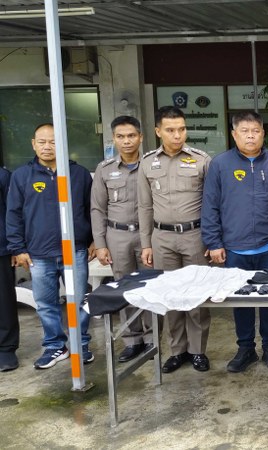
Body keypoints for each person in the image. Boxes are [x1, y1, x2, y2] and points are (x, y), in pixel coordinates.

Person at [202, 111, 268, 373]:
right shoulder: (220, 164)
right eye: (244, 131)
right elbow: (210, 206)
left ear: (263, 133)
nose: (251, 136)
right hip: (234, 247)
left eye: (256, 131)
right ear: (234, 134)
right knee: (239, 299)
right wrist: (213, 242)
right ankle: (245, 348)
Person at [6, 123, 94, 369]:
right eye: (42, 142)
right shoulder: (22, 176)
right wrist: (18, 248)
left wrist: (93, 240)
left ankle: (80, 344)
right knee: (46, 304)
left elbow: (91, 210)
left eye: (53, 141)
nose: (47, 146)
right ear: (33, 144)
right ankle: (56, 346)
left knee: (79, 301)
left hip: (75, 250)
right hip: (38, 253)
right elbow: (13, 214)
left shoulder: (79, 174)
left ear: (63, 143)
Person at [139, 106, 212, 373]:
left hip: (195, 236)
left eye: (181, 129)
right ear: (158, 131)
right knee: (170, 296)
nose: (177, 135)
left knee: (196, 296)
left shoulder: (201, 160)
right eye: (170, 130)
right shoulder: (147, 163)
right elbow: (144, 206)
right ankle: (177, 351)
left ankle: (198, 351)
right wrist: (146, 243)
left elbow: (212, 203)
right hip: (162, 237)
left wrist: (212, 240)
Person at [91, 116, 155, 363]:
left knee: (150, 287)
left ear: (140, 137)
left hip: (147, 235)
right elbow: (97, 209)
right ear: (114, 139)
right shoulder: (105, 169)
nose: (126, 141)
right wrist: (100, 244)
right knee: (124, 287)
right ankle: (132, 340)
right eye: (121, 136)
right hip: (117, 236)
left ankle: (152, 339)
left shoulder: (151, 165)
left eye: (131, 136)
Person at [0, 166, 19, 371]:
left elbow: (12, 212)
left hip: (1, 250)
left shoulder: (3, 176)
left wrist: (15, 247)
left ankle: (6, 349)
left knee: (4, 301)